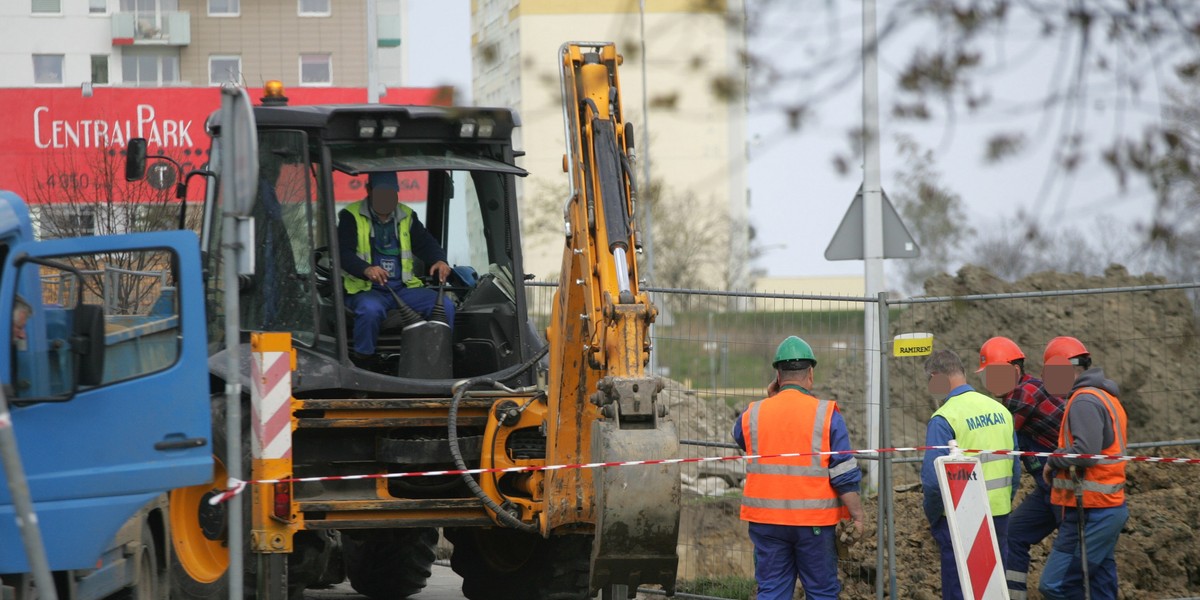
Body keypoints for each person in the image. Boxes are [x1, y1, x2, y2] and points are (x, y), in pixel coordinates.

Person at [731, 336, 865, 600]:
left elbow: (742, 437)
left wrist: (770, 401)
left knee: (772, 591)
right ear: (810, 374)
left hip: (767, 522)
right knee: (821, 592)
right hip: (813, 524)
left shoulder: (754, 413)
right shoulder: (826, 414)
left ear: (777, 377)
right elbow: (844, 475)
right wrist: (857, 514)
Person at [921, 349, 1020, 600]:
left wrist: (935, 518)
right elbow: (1015, 469)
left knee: (960, 588)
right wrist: (1004, 502)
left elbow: (933, 483)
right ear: (962, 373)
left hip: (959, 519)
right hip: (999, 513)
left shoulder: (944, 418)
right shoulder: (1001, 411)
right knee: (993, 589)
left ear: (936, 378)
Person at [1038, 336, 1128, 600]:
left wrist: (1053, 460)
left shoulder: (1084, 401)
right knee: (1100, 582)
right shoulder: (1103, 395)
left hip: (1092, 511)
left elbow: (1085, 453)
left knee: (1055, 585)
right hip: (1104, 506)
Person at [976, 336, 1065, 600]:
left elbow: (1000, 435)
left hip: (1067, 482)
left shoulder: (1024, 394)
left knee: (1072, 544)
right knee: (1015, 533)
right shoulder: (1015, 396)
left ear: (1015, 371)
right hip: (1047, 485)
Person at [337, 171, 455, 365]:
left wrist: (440, 260)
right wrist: (366, 269)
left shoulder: (407, 215)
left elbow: (426, 244)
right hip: (367, 290)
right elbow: (343, 253)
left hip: (403, 289)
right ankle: (363, 360)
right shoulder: (351, 216)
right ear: (369, 191)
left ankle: (440, 357)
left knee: (445, 306)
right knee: (369, 311)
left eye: (391, 194)